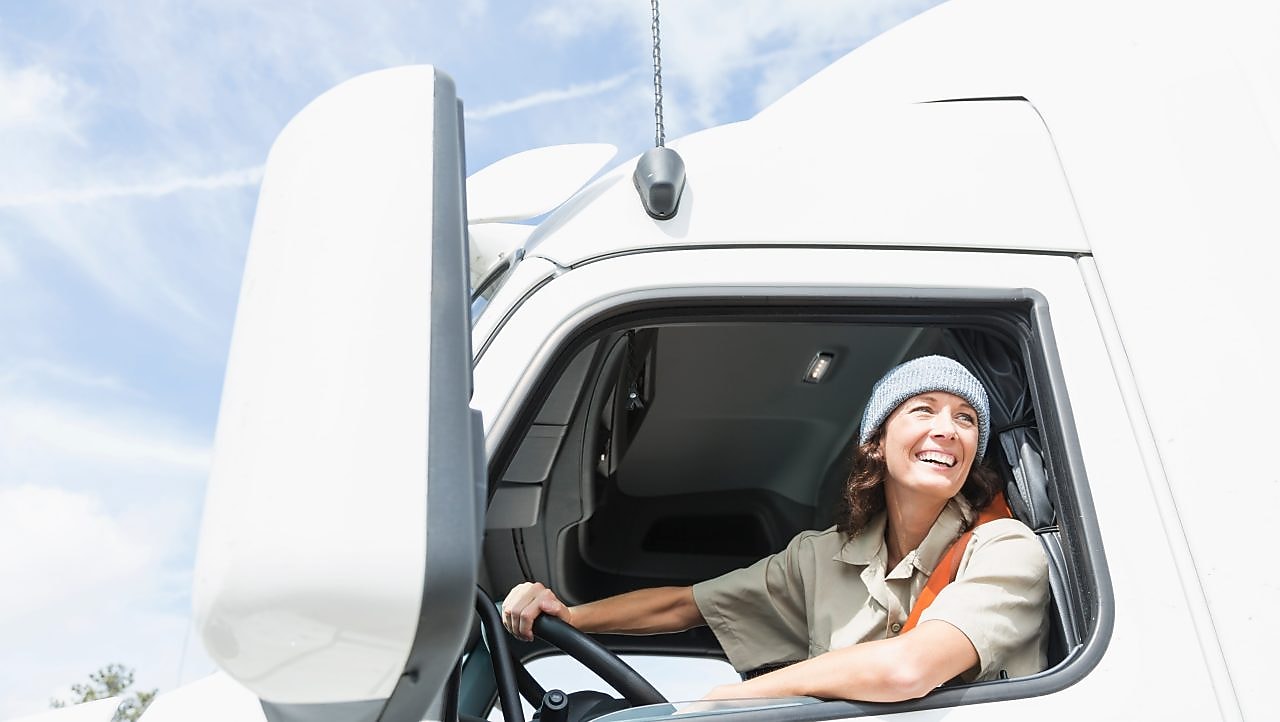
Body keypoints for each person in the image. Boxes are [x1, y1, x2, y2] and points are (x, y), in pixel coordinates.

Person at [502, 355, 1049, 703]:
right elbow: (685, 606)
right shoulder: (820, 557)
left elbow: (909, 669)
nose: (947, 430)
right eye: (924, 410)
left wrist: (730, 701)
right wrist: (569, 617)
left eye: (966, 419)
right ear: (877, 443)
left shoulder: (1005, 549)